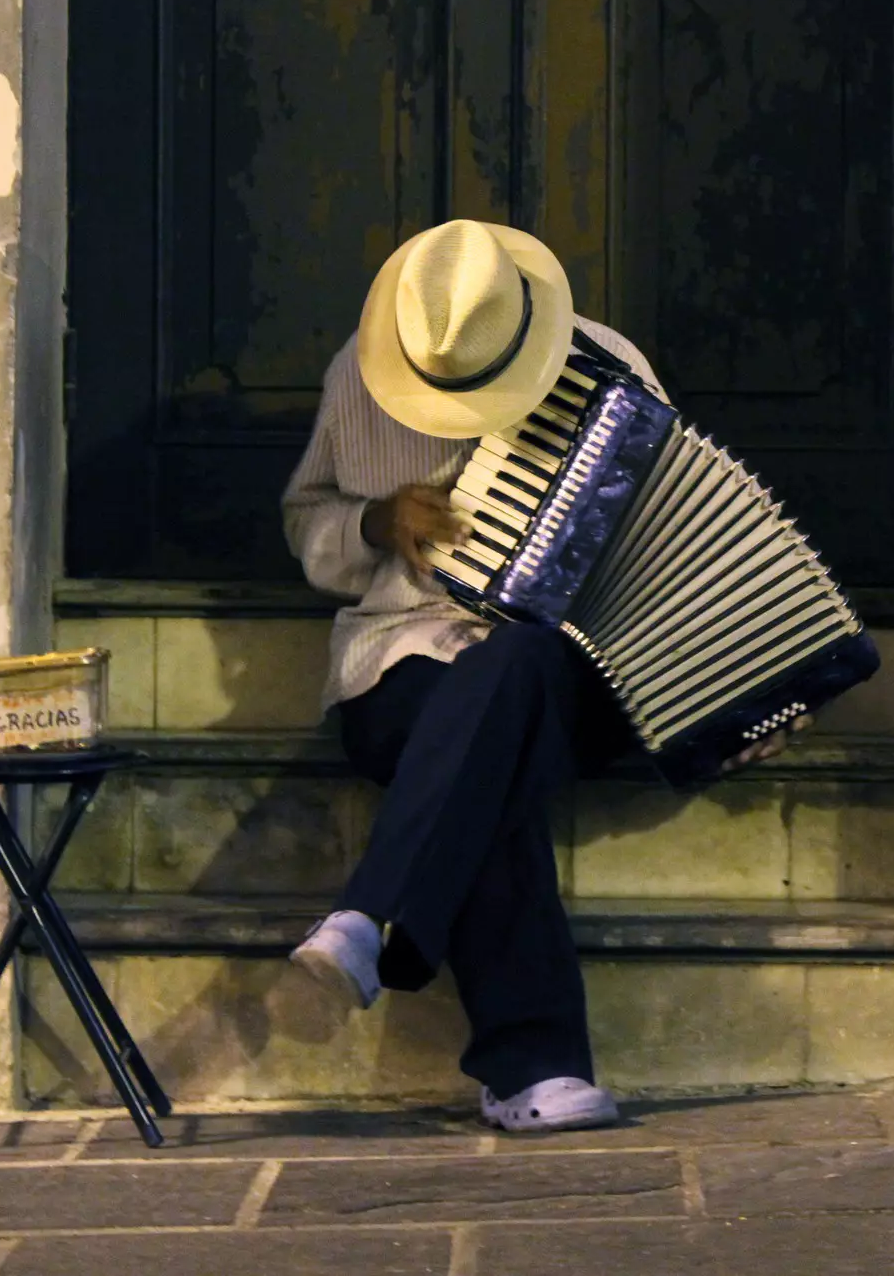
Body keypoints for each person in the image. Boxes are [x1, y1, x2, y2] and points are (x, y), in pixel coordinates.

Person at [281, 219, 799, 1133]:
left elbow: (675, 538)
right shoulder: (353, 371)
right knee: (481, 754)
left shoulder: (611, 364)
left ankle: (370, 914)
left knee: (512, 663)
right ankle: (534, 1069)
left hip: (574, 666)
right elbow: (306, 522)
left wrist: (740, 679)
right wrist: (374, 522)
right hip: (400, 654)